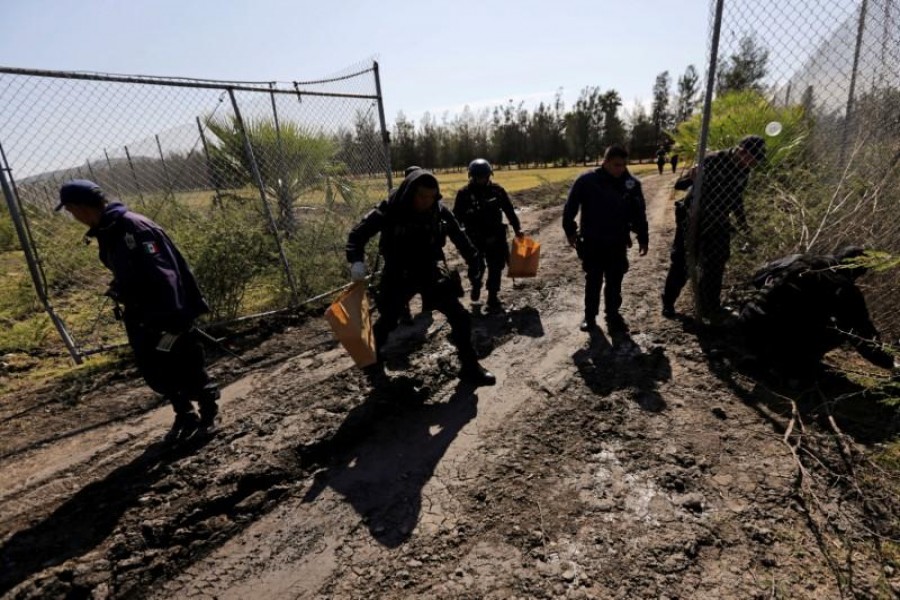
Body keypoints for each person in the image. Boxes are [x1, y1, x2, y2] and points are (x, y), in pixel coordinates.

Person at [55, 180, 220, 442]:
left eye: (71, 211)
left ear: (79, 208)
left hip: (167, 312)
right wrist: (121, 288)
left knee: (184, 363)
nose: (73, 217)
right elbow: (135, 272)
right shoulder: (109, 229)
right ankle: (184, 413)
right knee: (155, 367)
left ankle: (209, 412)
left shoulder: (133, 228)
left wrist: (172, 318)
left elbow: (165, 275)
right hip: (143, 313)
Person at [346, 169, 496, 387]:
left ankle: (471, 366)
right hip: (397, 272)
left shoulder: (439, 210)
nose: (426, 202)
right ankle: (373, 362)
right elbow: (356, 236)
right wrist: (356, 262)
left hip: (429, 271)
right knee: (388, 320)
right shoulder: (390, 208)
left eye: (431, 197)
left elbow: (459, 236)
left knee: (460, 316)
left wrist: (475, 260)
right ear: (410, 192)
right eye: (421, 196)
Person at [738, 246, 898, 377]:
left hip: (746, 323)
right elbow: (861, 335)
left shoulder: (798, 259)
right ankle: (791, 362)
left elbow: (758, 278)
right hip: (774, 342)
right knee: (840, 330)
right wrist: (889, 362)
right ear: (856, 271)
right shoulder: (845, 288)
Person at [661, 135, 766, 319]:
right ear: (741, 151)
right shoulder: (712, 160)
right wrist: (693, 177)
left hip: (719, 220)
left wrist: (743, 225)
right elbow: (680, 184)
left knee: (717, 262)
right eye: (752, 157)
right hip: (693, 217)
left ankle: (709, 307)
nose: (754, 162)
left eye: (757, 159)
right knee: (683, 261)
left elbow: (736, 199)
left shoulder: (744, 170)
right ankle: (668, 303)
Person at [563, 145, 649, 332]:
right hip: (593, 241)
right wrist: (570, 231)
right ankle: (590, 317)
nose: (621, 169)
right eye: (616, 165)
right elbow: (570, 207)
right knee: (593, 280)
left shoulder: (631, 184)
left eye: (623, 165)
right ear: (606, 162)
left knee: (615, 280)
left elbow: (639, 213)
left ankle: (613, 315)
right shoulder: (587, 181)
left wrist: (643, 237)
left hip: (617, 242)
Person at [452, 158, 523, 312]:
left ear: (490, 175)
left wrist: (517, 228)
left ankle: (492, 297)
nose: (482, 180)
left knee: (496, 266)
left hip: (496, 236)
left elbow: (509, 210)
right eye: (478, 177)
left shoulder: (497, 191)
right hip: (474, 238)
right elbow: (456, 217)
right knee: (477, 267)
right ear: (472, 176)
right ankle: (476, 284)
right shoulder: (464, 194)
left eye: (485, 176)